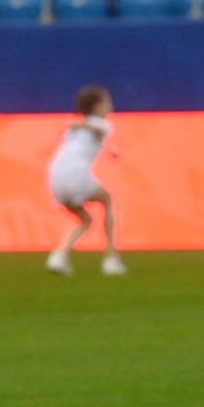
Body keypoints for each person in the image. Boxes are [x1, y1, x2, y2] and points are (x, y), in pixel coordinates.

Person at [46, 86, 124, 278]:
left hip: (55, 178)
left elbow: (84, 138)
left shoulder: (73, 129)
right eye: (106, 103)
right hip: (75, 175)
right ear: (97, 107)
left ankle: (59, 255)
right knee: (106, 200)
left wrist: (108, 149)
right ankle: (111, 258)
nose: (110, 106)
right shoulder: (102, 124)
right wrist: (82, 125)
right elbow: (97, 129)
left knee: (85, 220)